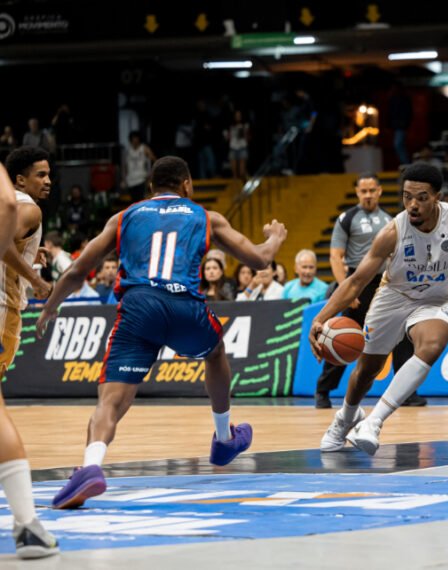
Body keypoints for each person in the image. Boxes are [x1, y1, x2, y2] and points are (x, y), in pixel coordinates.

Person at [36, 156, 287, 508]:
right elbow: (260, 260)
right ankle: (223, 436)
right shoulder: (205, 216)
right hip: (184, 305)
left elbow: (78, 269)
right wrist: (274, 238)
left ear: (152, 187)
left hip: (138, 307)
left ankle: (91, 466)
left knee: (111, 401)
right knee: (214, 352)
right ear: (186, 185)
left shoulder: (124, 217)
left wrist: (51, 305)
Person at [309, 163, 448, 455]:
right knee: (367, 371)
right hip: (393, 297)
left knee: (432, 344)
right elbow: (355, 282)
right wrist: (320, 319)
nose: (413, 205)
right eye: (407, 197)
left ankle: (373, 423)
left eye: (421, 197)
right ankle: (345, 417)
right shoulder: (392, 232)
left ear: (438, 197)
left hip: (435, 300)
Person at [314, 173, 423, 409]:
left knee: (403, 336)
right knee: (341, 336)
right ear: (357, 193)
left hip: (385, 284)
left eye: (372, 190)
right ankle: (323, 390)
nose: (368, 195)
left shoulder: (390, 219)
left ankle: (407, 392)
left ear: (380, 191)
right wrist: (347, 289)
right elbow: (335, 256)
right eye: (363, 191)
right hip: (356, 283)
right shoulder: (347, 218)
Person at [0, 149, 58, 558]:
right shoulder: (27, 208)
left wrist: (24, 256)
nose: (48, 180)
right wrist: (35, 278)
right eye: (40, 174)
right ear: (18, 180)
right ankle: (26, 525)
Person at [121, 131, 156, 203]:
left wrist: (150, 176)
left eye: (136, 138)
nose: (135, 140)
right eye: (133, 138)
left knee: (141, 200)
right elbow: (124, 166)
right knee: (133, 201)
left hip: (142, 179)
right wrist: (124, 179)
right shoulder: (127, 151)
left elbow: (154, 160)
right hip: (130, 180)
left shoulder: (144, 148)